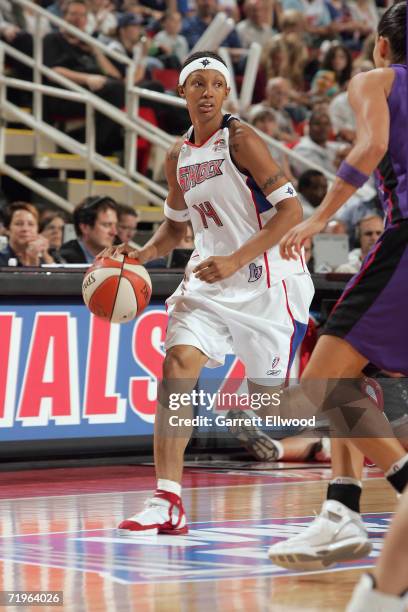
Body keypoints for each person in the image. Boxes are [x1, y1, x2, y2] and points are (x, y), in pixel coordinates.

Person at [99, 50, 314, 535]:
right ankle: (167, 499)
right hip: (208, 282)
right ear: (181, 93)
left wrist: (238, 259)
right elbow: (174, 233)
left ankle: (347, 409)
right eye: (198, 84)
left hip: (267, 283)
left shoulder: (242, 139)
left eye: (217, 84)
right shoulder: (178, 155)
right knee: (176, 368)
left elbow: (291, 212)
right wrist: (136, 254)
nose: (208, 92)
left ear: (227, 92)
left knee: (270, 406)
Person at [268, 4, 408, 599]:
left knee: (323, 378)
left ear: (381, 46)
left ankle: (400, 486)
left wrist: (323, 216)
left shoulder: (377, 80)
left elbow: (373, 144)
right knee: (354, 378)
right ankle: (340, 510)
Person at [43, 0, 125, 154]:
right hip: (65, 94)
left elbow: (115, 75)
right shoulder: (53, 39)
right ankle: (94, 145)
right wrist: (87, 79)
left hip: (93, 92)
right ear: (64, 16)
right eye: (73, 14)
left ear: (86, 20)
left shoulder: (87, 45)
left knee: (138, 88)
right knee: (116, 91)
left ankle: (97, 142)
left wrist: (96, 52)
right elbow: (52, 71)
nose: (77, 19)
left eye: (82, 15)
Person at [59, 196, 118, 263]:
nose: (114, 232)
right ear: (85, 228)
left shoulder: (120, 258)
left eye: (115, 225)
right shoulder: (64, 261)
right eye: (106, 225)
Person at [0, 202, 55, 266]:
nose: (25, 229)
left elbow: (57, 275)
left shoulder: (47, 257)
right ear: (7, 229)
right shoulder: (2, 259)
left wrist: (45, 255)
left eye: (31, 224)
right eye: (19, 224)